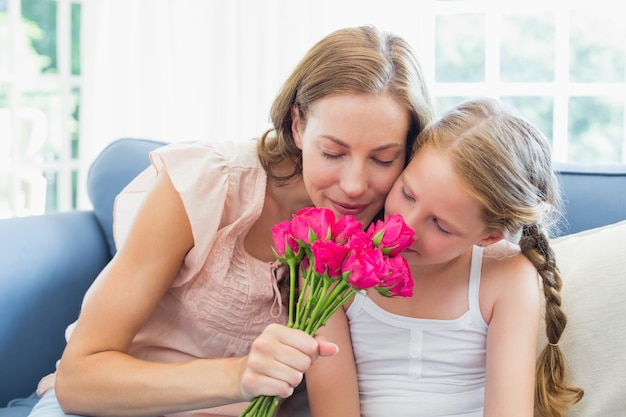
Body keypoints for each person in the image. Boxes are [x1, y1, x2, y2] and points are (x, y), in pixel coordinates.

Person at [21, 25, 434, 417]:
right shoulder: (209, 184)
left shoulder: (392, 230)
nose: (355, 185)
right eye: (332, 152)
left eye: (383, 159)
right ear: (297, 125)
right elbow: (78, 378)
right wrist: (239, 375)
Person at [305, 97, 584, 417]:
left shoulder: (506, 276)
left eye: (440, 225)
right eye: (407, 193)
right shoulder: (330, 265)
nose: (405, 226)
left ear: (488, 237)